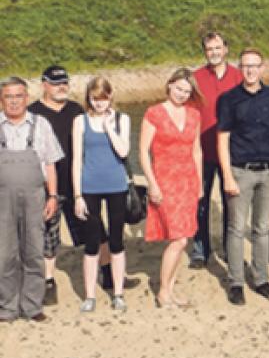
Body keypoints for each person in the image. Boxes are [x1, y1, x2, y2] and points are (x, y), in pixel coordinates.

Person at [28, 65, 108, 306]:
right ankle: (48, 282)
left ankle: (109, 274)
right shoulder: (33, 113)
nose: (61, 87)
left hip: (78, 183)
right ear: (44, 84)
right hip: (44, 185)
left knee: (95, 228)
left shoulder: (76, 110)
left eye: (64, 82)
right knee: (48, 237)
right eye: (55, 83)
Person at [217, 49, 269, 306]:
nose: (250, 71)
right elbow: (222, 139)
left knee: (261, 228)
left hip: (268, 171)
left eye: (255, 66)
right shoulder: (228, 99)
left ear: (262, 68)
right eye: (246, 66)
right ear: (240, 69)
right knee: (236, 229)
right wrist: (227, 175)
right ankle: (236, 282)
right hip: (240, 171)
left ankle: (261, 279)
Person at [139, 68, 203, 308]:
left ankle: (170, 288)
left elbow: (196, 151)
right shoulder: (154, 113)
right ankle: (164, 291)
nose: (182, 95)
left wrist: (199, 184)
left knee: (183, 238)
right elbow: (143, 152)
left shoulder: (194, 115)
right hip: (164, 182)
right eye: (179, 89)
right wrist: (152, 184)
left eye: (187, 91)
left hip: (187, 181)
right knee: (177, 240)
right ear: (169, 86)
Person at [0, 77, 61, 323]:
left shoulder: (41, 124)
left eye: (18, 96)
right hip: (2, 199)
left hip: (36, 197)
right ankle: (7, 307)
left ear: (26, 98)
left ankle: (32, 305)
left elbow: (50, 164)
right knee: (5, 253)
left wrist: (53, 196)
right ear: (2, 100)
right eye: (8, 97)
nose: (14, 101)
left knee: (34, 250)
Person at [72, 77, 131, 313]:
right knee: (92, 243)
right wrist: (77, 195)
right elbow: (77, 160)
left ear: (111, 96)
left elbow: (124, 151)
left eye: (103, 98)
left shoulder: (122, 119)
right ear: (89, 98)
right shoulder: (80, 121)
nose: (99, 103)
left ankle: (118, 293)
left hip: (116, 186)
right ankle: (90, 295)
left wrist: (108, 127)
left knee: (116, 240)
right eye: (95, 99)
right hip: (90, 188)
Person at [190, 32, 242, 268]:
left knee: (231, 203)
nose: (214, 53)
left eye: (217, 48)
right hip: (202, 150)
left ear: (226, 49)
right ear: (205, 52)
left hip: (232, 152)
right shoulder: (196, 78)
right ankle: (201, 250)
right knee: (200, 202)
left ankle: (230, 248)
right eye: (209, 49)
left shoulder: (239, 77)